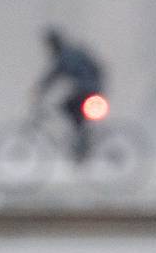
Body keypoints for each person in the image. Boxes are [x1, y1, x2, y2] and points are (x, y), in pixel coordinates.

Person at [34, 27, 105, 160]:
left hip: (88, 89)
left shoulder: (65, 56)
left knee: (67, 107)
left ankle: (82, 143)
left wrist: (40, 89)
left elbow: (55, 74)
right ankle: (81, 139)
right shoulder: (70, 52)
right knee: (70, 108)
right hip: (92, 88)